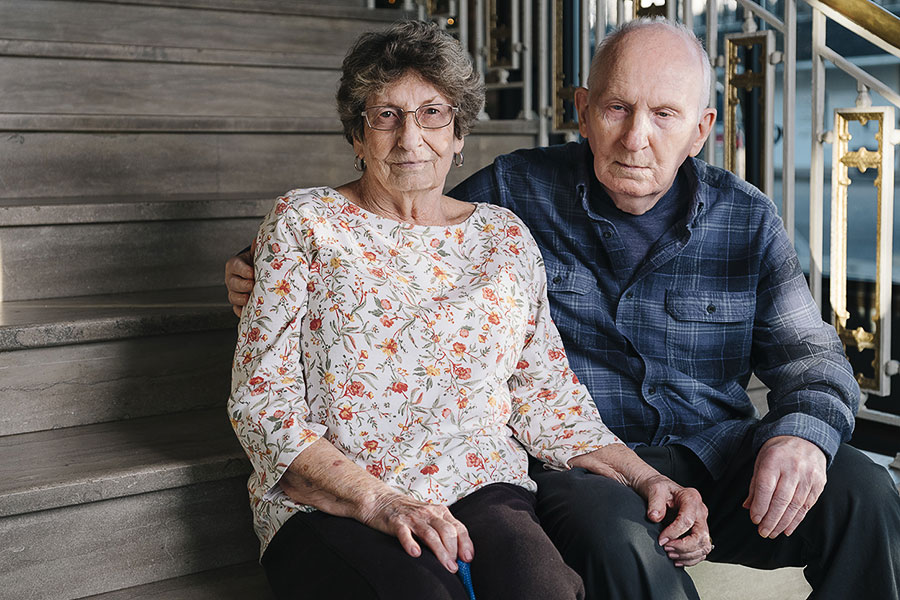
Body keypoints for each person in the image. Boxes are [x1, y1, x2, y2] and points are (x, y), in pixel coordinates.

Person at [229, 18, 900, 600]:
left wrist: (801, 435)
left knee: (866, 494)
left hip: (715, 457)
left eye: (664, 115)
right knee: (615, 541)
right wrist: (254, 264)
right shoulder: (519, 192)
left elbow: (811, 356)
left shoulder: (744, 217)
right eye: (616, 109)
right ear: (583, 110)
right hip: (586, 478)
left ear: (701, 130)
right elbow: (398, 216)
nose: (637, 137)